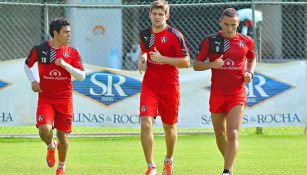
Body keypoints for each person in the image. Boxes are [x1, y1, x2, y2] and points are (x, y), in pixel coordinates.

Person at [193, 8, 256, 175]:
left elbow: (252, 57)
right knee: (220, 135)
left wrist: (249, 72)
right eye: (226, 25)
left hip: (237, 93)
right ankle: (230, 164)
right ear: (220, 22)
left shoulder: (246, 41)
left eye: (233, 25)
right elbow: (196, 65)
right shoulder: (211, 41)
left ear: (238, 24)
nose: (229, 29)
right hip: (217, 94)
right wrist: (211, 64)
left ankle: (226, 171)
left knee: (233, 132)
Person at [24, 18, 85, 175]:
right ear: (55, 33)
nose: (69, 35)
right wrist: (33, 81)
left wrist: (65, 65)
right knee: (44, 129)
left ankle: (61, 167)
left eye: (70, 32)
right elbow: (27, 65)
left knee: (62, 135)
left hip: (65, 99)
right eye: (66, 32)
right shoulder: (40, 49)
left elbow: (81, 76)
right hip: (46, 98)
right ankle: (51, 146)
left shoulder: (73, 52)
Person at [138, 1, 190, 175]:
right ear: (150, 15)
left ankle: (169, 159)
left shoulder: (175, 35)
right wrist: (142, 59)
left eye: (161, 14)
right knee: (146, 124)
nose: (158, 17)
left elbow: (186, 62)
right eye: (155, 14)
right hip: (150, 85)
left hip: (170, 87)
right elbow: (145, 51)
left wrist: (164, 59)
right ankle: (151, 167)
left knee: (169, 127)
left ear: (167, 16)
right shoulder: (145, 34)